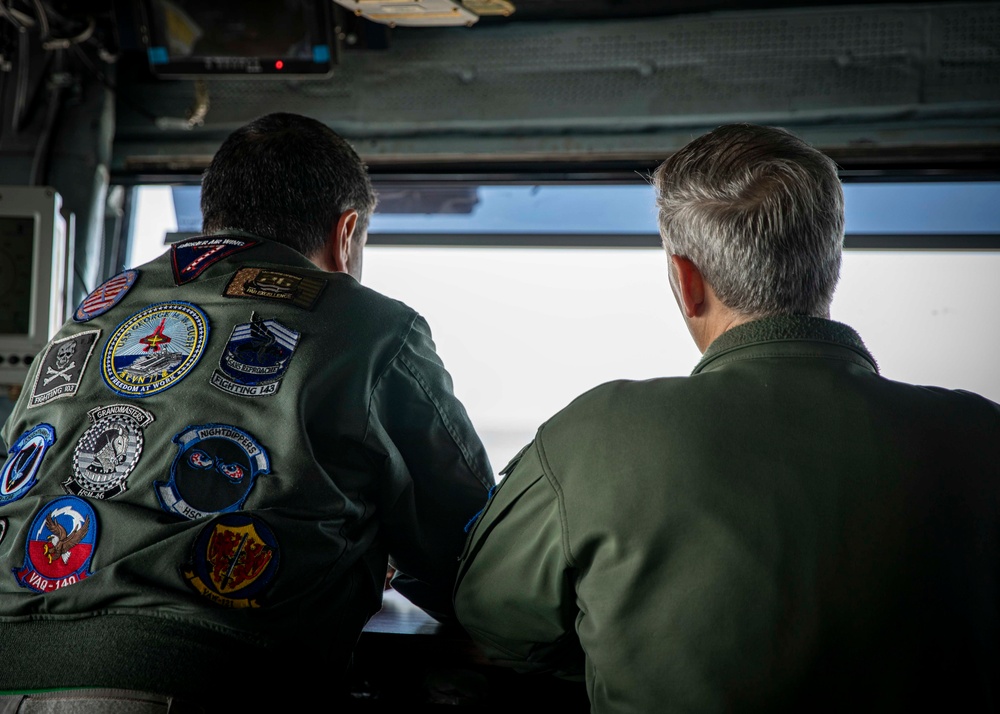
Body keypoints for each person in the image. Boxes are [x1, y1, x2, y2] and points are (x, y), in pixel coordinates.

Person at [453, 124, 1000, 713]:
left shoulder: (596, 432)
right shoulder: (982, 436)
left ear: (686, 281)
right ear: (830, 262)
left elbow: (492, 620)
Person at [0, 112, 494, 710]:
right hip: (185, 676)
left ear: (212, 220)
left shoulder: (93, 312)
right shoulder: (370, 324)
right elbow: (470, 557)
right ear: (346, 233)